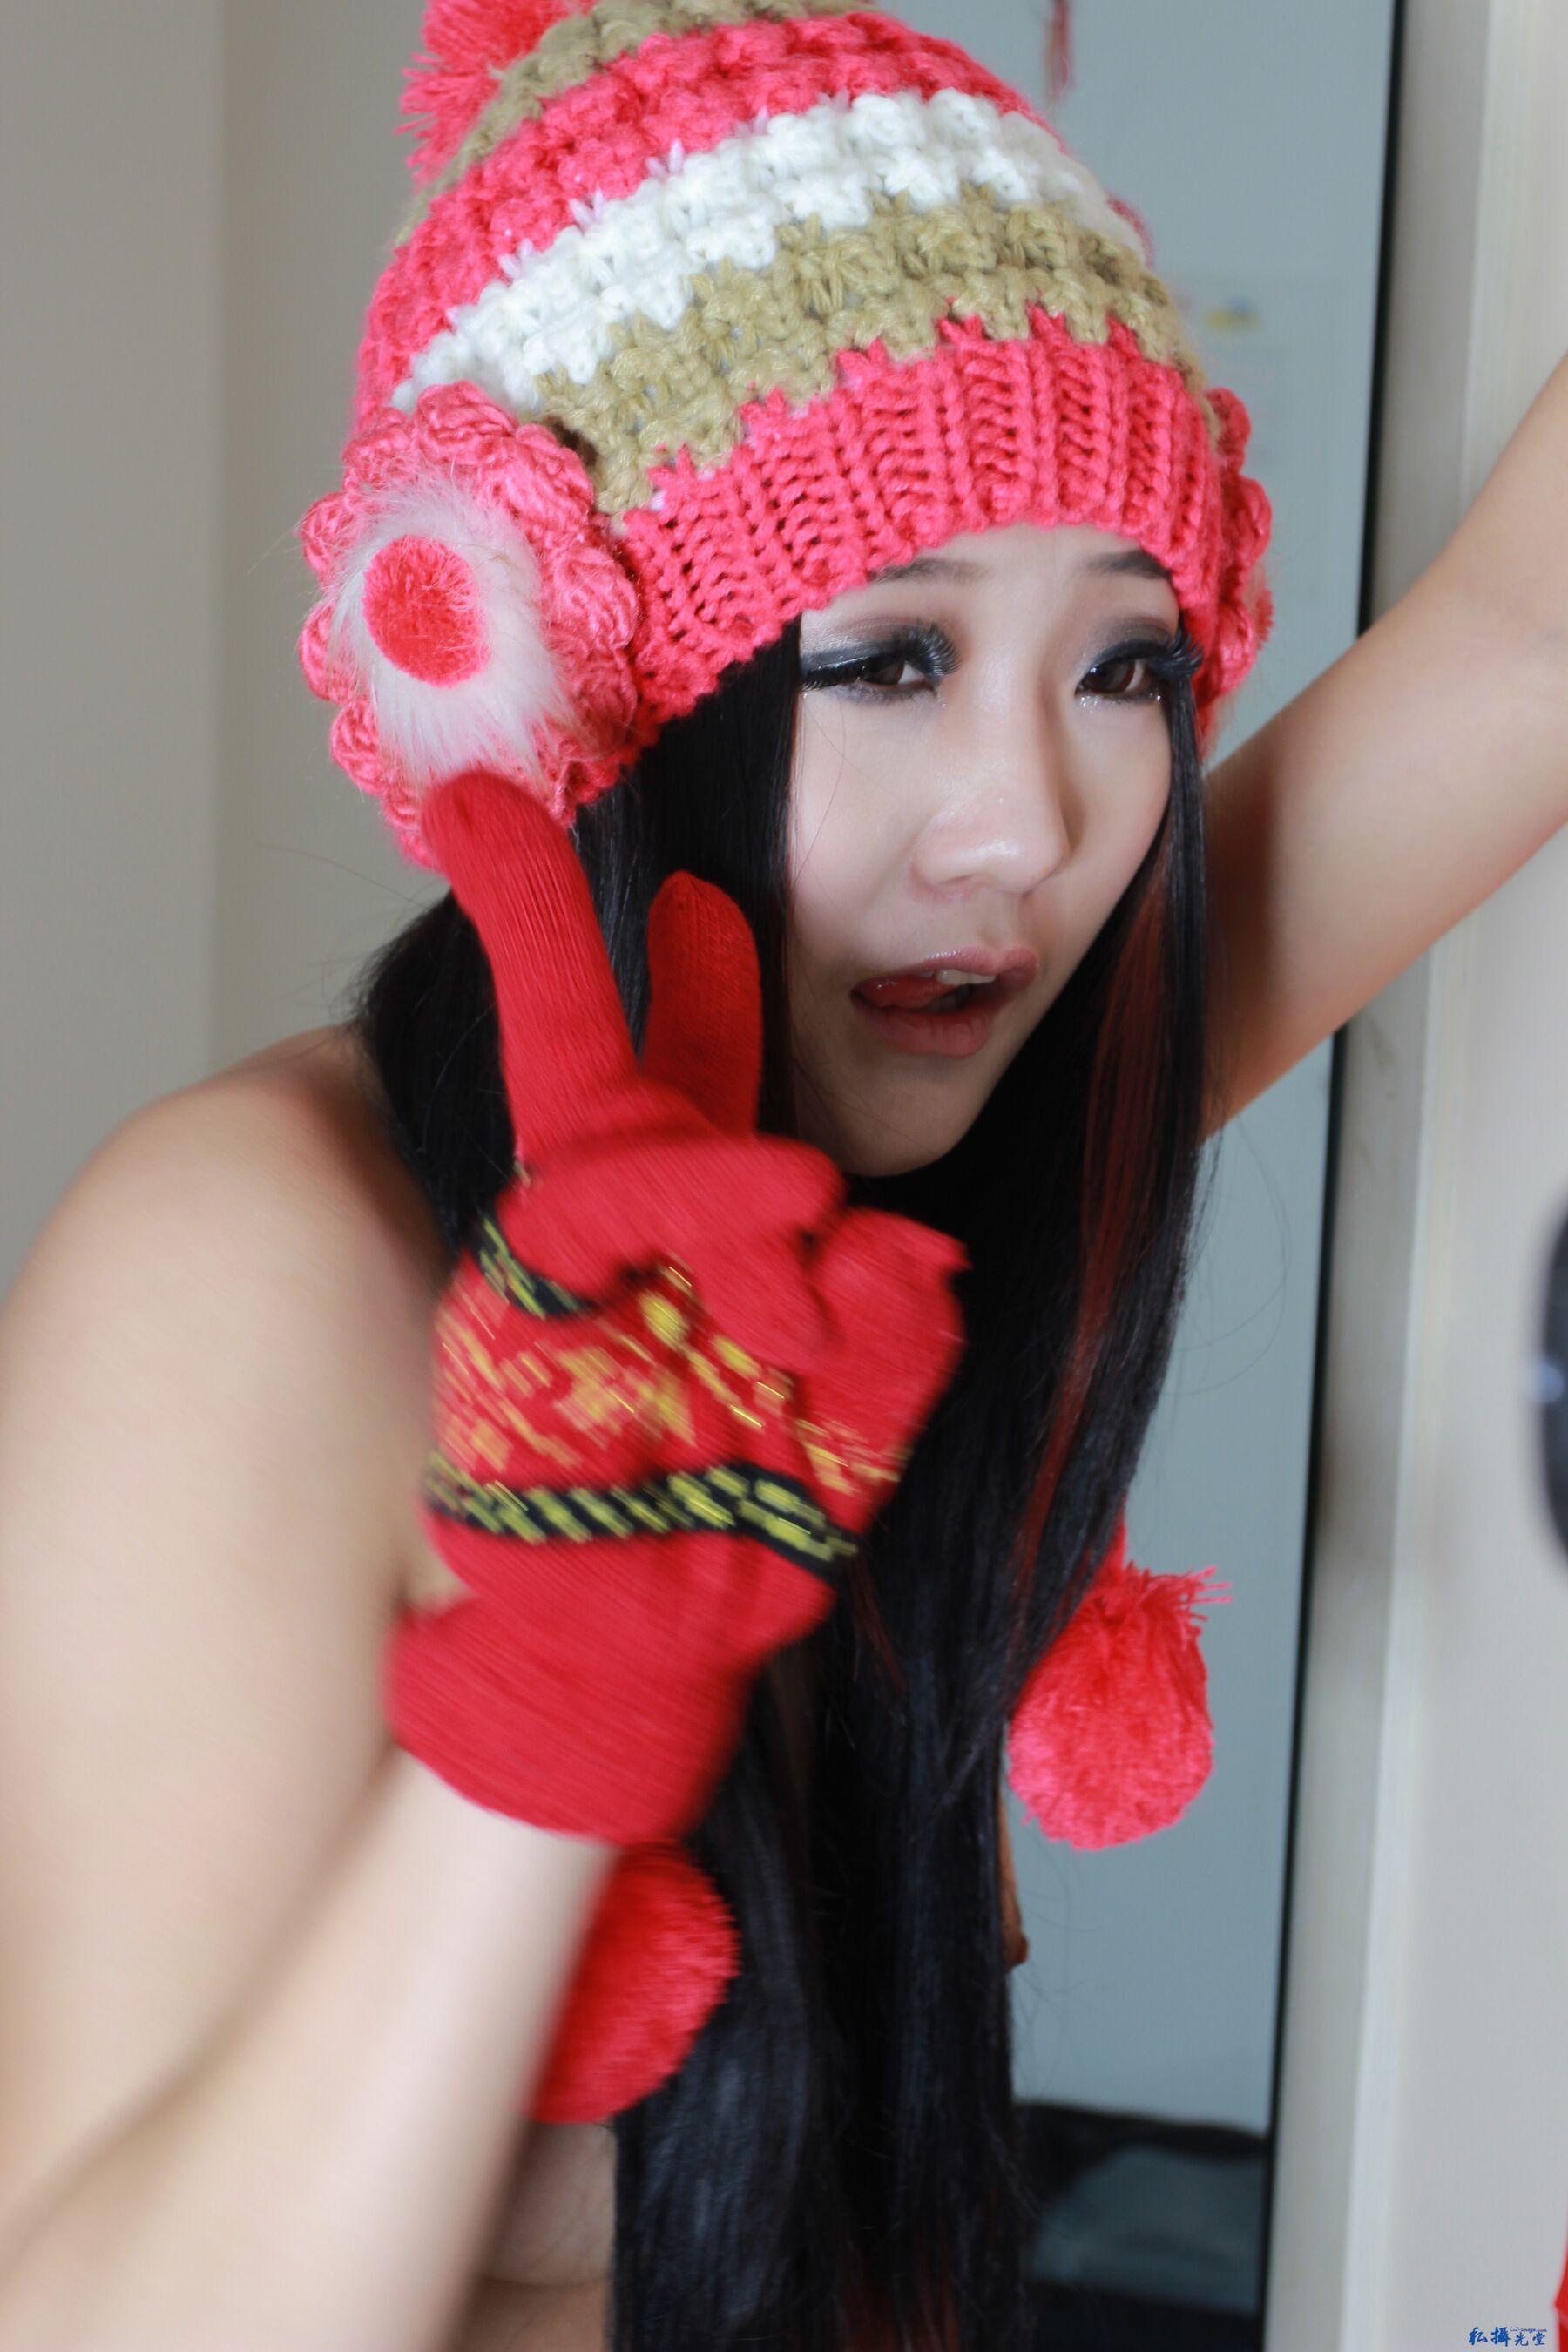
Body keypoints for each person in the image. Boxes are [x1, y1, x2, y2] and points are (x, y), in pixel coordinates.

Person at [1, 2, 1565, 2347]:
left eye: (1124, 669)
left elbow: (1530, 647)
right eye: (895, 657)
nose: (1026, 827)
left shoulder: (937, 1196)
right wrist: (545, 1721)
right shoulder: (255, 1266)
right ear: (560, 686)